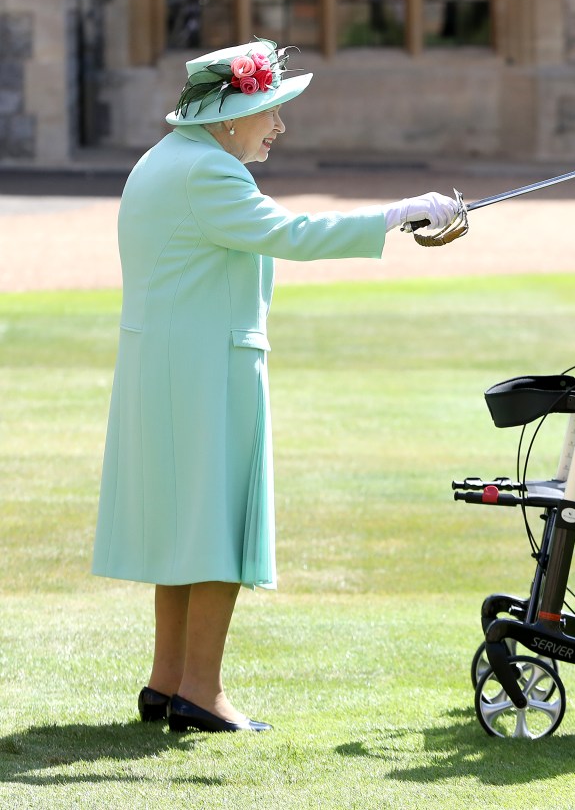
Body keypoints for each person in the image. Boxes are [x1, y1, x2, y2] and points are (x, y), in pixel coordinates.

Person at [92, 39, 461, 733]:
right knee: (218, 526)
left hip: (167, 367)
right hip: (206, 369)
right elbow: (291, 232)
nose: (278, 128)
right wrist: (400, 212)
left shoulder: (164, 161)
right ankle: (200, 691)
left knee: (183, 527)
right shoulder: (208, 172)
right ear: (230, 116)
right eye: (268, 112)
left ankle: (167, 679)